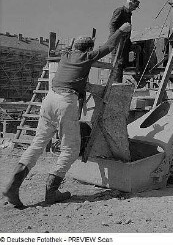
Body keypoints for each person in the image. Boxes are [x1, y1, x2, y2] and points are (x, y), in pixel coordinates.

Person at [2, 22, 131, 208]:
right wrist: (121, 31)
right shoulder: (87, 56)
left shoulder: (65, 55)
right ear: (87, 49)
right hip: (65, 101)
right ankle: (52, 191)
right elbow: (109, 46)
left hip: (50, 99)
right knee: (70, 149)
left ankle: (13, 186)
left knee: (38, 143)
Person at [109, 0, 140, 83]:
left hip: (124, 42)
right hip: (117, 42)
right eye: (134, 7)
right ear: (130, 3)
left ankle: (117, 84)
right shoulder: (120, 11)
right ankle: (114, 86)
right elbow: (112, 25)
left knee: (122, 63)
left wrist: (130, 44)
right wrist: (115, 38)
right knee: (117, 63)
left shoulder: (128, 13)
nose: (134, 9)